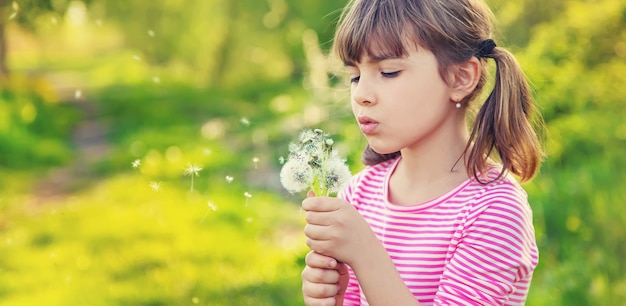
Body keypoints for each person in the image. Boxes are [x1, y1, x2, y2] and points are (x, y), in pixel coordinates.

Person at [300, 0, 544, 305]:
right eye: (355, 76)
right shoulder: (359, 194)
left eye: (388, 72)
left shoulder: (493, 211)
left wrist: (364, 252)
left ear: (460, 78)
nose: (361, 94)